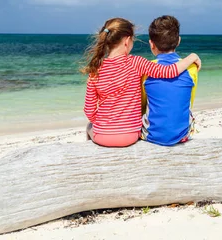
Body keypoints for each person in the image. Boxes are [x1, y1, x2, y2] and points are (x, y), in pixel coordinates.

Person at [81, 17, 201, 148]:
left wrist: (104, 124)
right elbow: (168, 71)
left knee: (89, 126)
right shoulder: (136, 62)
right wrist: (192, 57)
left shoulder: (95, 70)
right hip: (131, 136)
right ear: (127, 41)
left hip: (103, 137)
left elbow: (89, 110)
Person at [141, 15, 198, 146]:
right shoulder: (191, 68)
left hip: (152, 135)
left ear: (151, 44)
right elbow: (190, 101)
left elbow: (143, 104)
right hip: (182, 135)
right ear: (178, 41)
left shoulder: (146, 69)